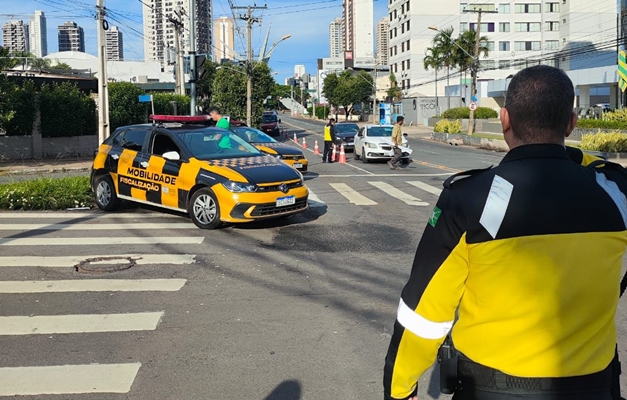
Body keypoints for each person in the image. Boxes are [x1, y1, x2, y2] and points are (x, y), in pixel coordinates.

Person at [383, 65, 627, 400]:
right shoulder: (615, 193)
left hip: (491, 389)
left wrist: (399, 388)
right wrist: (558, 158)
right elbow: (596, 167)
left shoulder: (470, 199)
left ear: (504, 119)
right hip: (593, 387)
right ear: (571, 123)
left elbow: (424, 311)